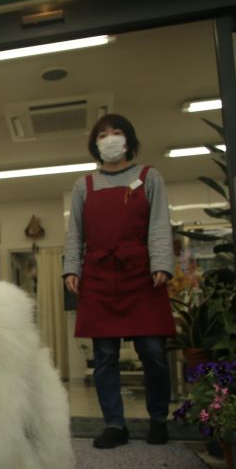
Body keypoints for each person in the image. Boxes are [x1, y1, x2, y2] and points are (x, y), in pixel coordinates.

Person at [62, 113, 176, 449]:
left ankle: (158, 418)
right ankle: (115, 424)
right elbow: (75, 233)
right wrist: (72, 268)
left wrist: (162, 263)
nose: (109, 138)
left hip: (142, 274)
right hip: (98, 274)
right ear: (94, 144)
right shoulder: (83, 185)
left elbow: (159, 224)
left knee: (153, 352)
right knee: (105, 356)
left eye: (116, 132)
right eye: (102, 134)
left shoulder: (149, 177)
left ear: (129, 139)